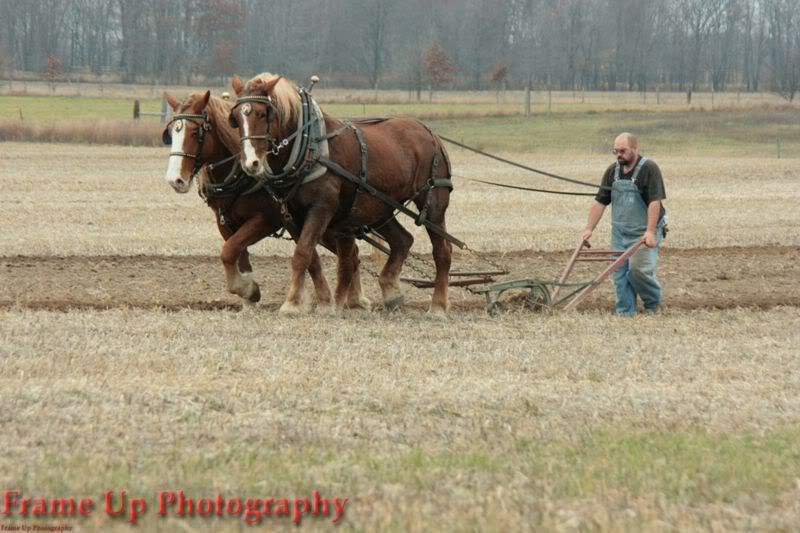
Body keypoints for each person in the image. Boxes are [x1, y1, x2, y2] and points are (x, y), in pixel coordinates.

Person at [580, 132, 667, 316]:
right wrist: (589, 229)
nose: (618, 155)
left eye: (623, 151)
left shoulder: (649, 168)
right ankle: (625, 312)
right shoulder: (613, 171)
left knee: (639, 271)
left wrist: (650, 232)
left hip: (643, 231)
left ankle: (652, 304)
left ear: (635, 148)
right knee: (619, 274)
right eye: (615, 151)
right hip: (620, 232)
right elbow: (600, 201)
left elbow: (654, 202)